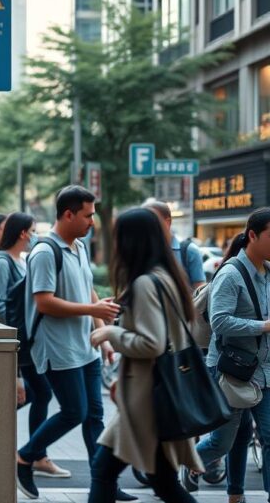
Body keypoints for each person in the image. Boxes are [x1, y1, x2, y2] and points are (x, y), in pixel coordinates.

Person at [16, 186, 130, 501]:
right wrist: (93, 311)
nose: (92, 221)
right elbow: (44, 303)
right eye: (88, 215)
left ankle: (103, 484)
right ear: (68, 214)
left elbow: (88, 290)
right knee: (73, 411)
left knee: (95, 414)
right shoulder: (43, 252)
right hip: (57, 347)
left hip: (85, 346)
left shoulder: (78, 246)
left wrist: (101, 331)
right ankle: (25, 456)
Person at [86, 208, 202, 503]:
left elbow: (152, 344)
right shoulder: (166, 277)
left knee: (107, 471)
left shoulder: (145, 283)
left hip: (149, 401)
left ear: (130, 240)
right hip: (151, 394)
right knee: (159, 481)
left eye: (117, 235)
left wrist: (110, 334)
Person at [181, 209, 270, 503]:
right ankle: (188, 463)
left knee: (268, 438)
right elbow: (219, 322)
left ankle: (247, 495)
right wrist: (263, 326)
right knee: (223, 441)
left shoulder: (268, 273)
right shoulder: (230, 274)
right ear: (253, 235)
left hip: (265, 370)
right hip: (232, 372)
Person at [0, 212, 70, 479]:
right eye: (32, 230)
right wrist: (18, 329)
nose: (34, 235)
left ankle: (36, 454)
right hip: (17, 341)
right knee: (41, 394)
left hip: (25, 340)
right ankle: (35, 455)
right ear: (23, 233)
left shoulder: (20, 260)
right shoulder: (2, 262)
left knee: (39, 394)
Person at [142, 200, 206, 290]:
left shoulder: (189, 251)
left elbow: (199, 291)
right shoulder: (142, 250)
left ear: (167, 222)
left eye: (150, 220)